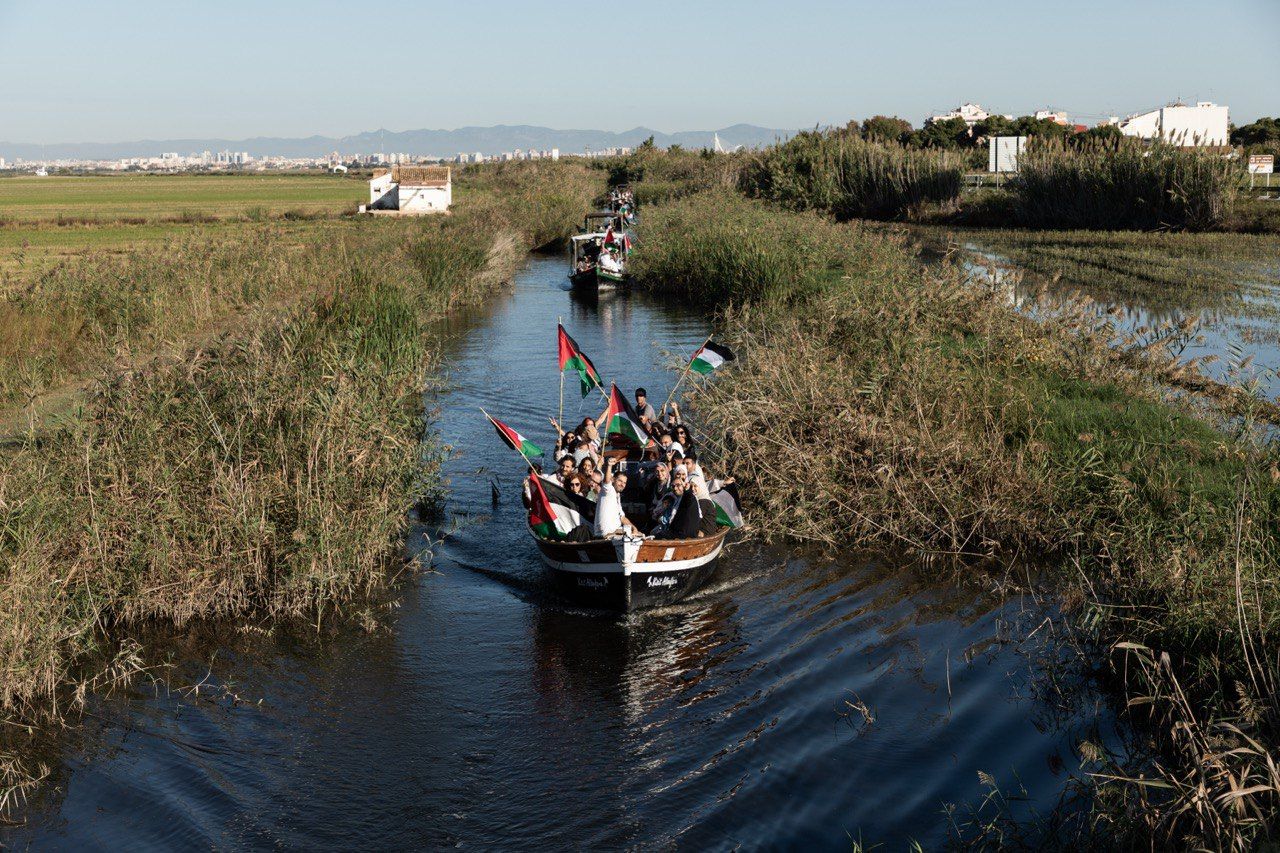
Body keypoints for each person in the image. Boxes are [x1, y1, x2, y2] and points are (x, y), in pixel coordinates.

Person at [594, 458, 638, 538]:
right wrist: (609, 466)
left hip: (616, 533)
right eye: (620, 481)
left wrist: (634, 528)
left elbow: (622, 518)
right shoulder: (608, 490)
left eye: (624, 483)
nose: (622, 484)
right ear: (613, 480)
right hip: (605, 535)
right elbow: (607, 481)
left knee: (639, 535)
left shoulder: (617, 496)